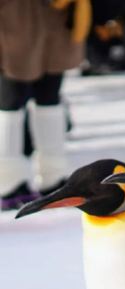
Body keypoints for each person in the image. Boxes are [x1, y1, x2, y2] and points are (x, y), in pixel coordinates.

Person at [0, 0, 90, 211]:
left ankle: (53, 175)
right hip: (13, 20)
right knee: (10, 101)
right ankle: (8, 181)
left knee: (50, 98)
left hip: (54, 19)